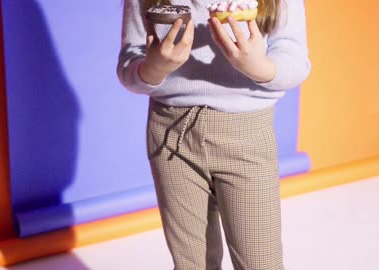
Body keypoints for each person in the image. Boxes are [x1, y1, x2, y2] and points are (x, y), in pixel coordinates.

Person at [117, 0, 310, 269]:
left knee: (260, 262)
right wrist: (154, 67)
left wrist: (258, 66)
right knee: (192, 264)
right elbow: (129, 63)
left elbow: (295, 59)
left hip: (247, 136)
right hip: (170, 135)